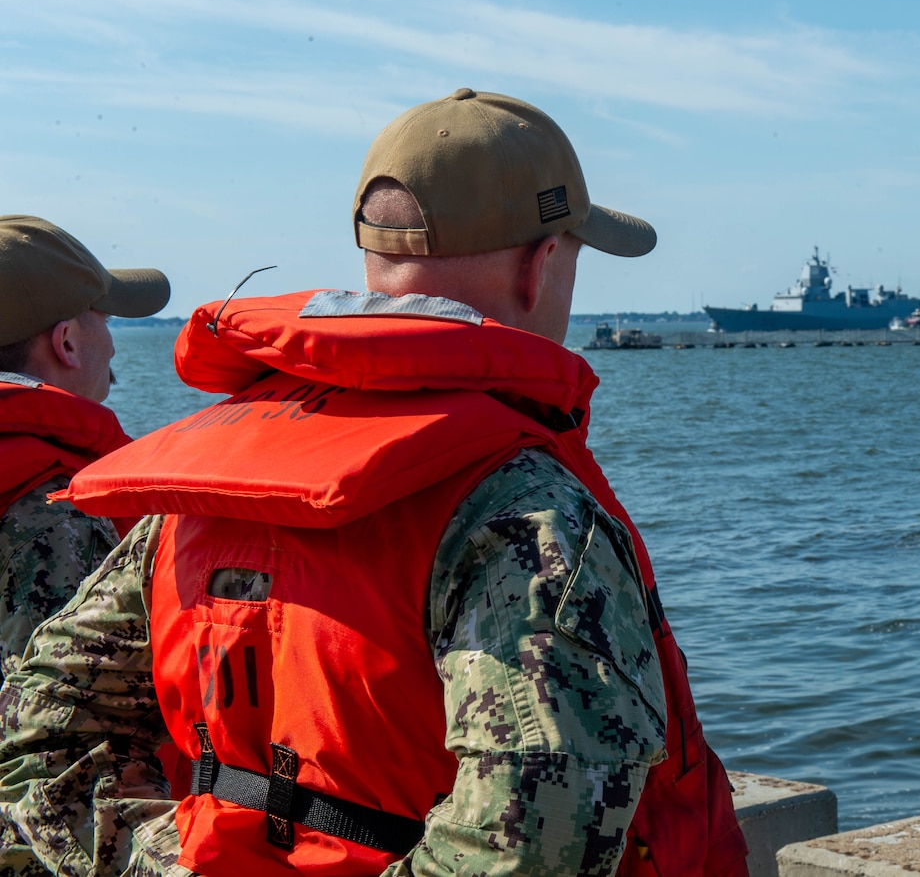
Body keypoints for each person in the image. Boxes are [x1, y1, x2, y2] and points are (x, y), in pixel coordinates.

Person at [0, 90, 748, 877]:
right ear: (543, 264)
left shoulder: (206, 480)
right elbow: (533, 848)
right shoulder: (525, 510)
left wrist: (158, 859)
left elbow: (45, 717)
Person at [0, 215, 170, 675]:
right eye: (107, 319)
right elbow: (54, 729)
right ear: (68, 343)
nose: (113, 346)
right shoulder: (57, 516)